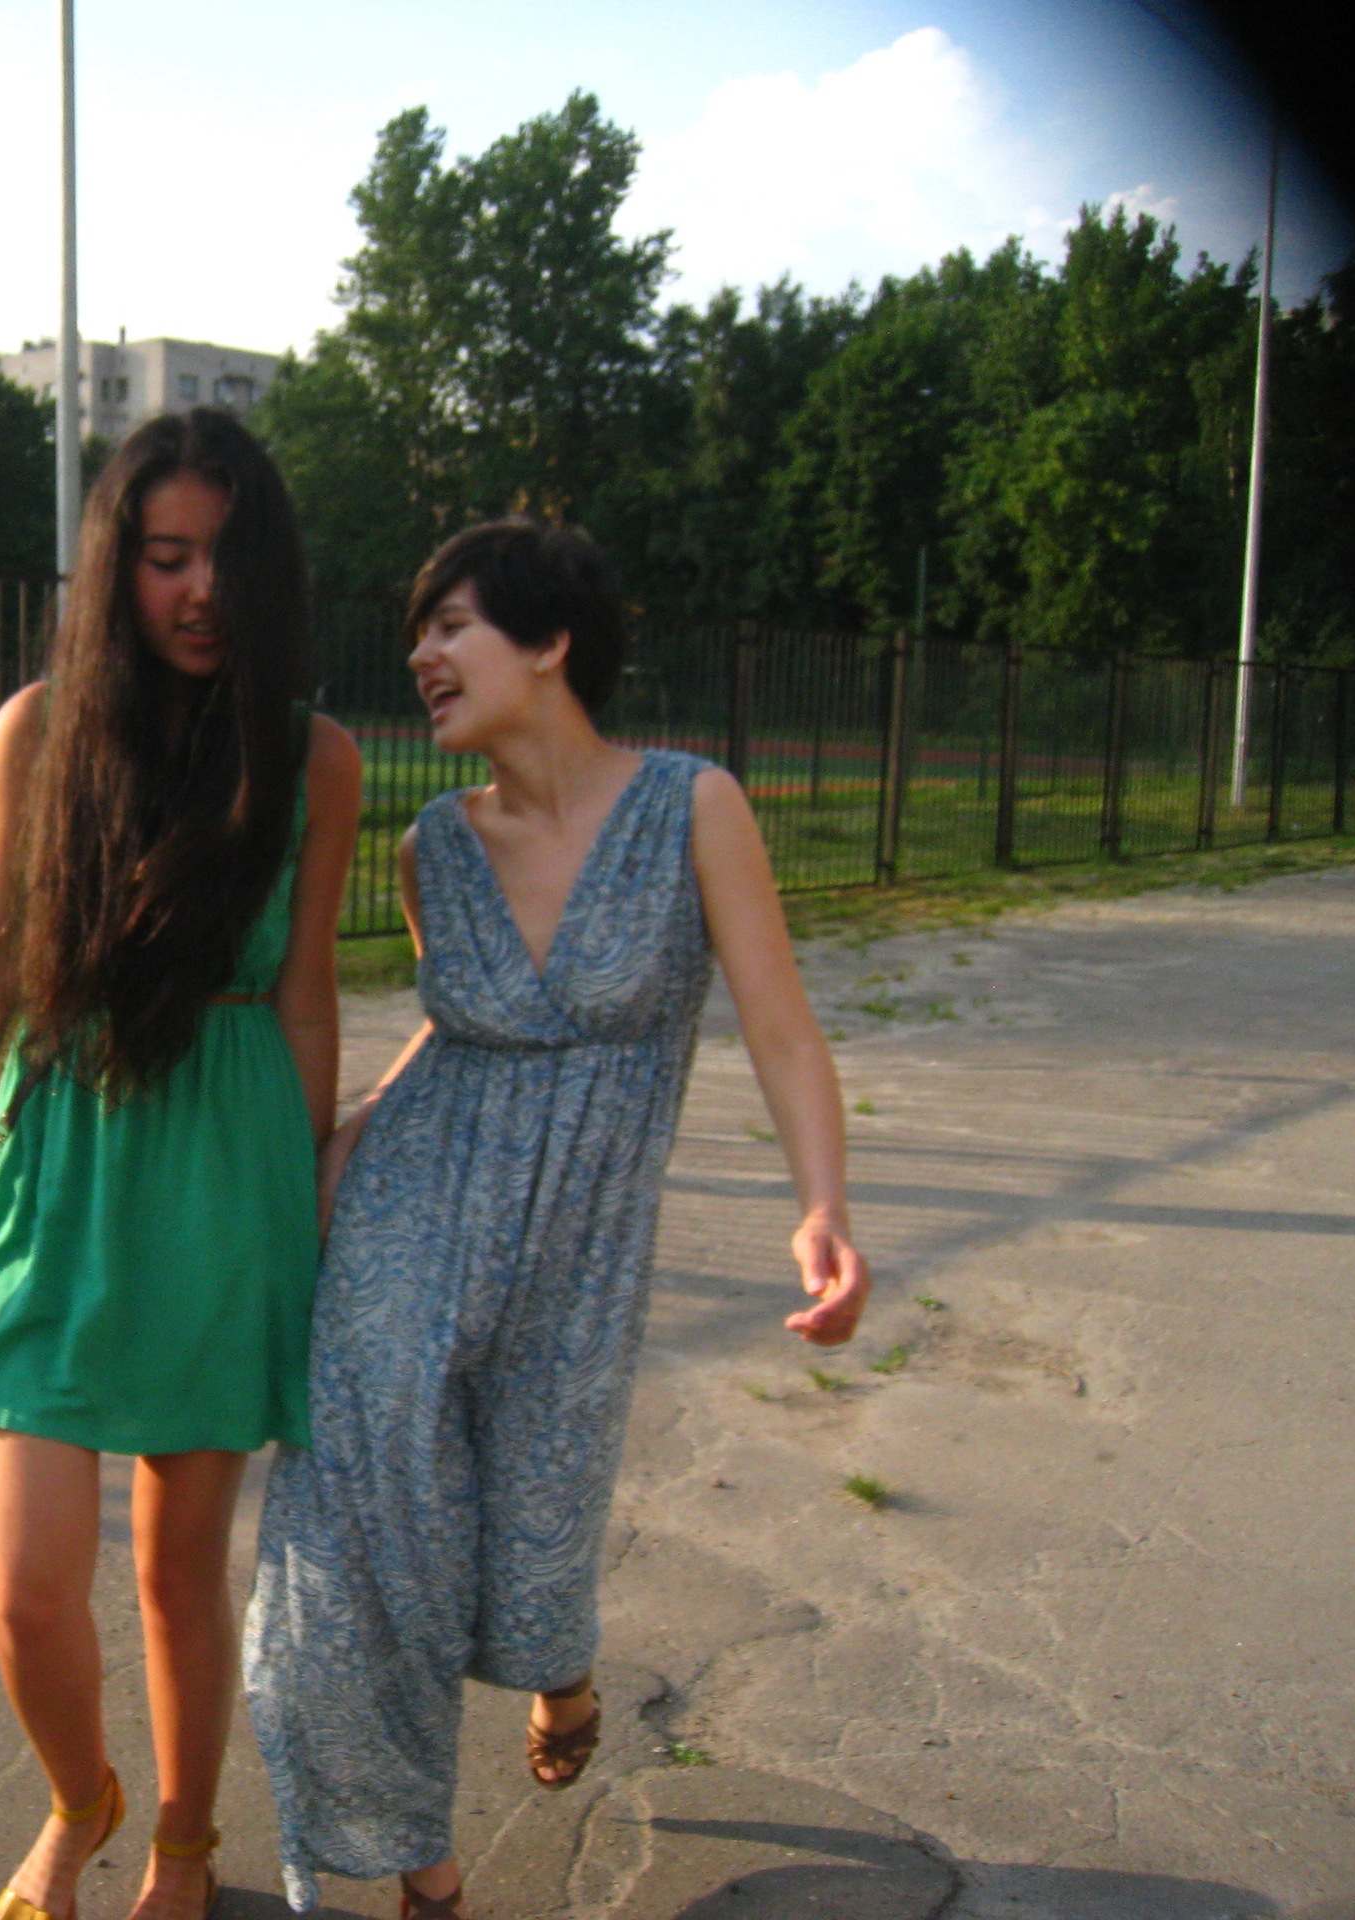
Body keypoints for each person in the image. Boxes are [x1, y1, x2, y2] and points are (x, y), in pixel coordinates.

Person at [242, 519, 871, 1917]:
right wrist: (343, 1148)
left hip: (580, 1243)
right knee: (355, 1525)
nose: (422, 654)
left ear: (549, 643)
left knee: (538, 1519)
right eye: (417, 631)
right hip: (411, 1212)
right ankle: (419, 1864)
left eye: (451, 624)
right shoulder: (432, 846)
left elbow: (780, 1027)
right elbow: (458, 1029)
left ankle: (561, 1674)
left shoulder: (693, 806)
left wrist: (823, 1205)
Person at [0, 408, 363, 1920]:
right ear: (117, 568)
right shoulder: (39, 733)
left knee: (174, 1573)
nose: (201, 589)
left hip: (225, 1174)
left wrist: (301, 1208)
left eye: (226, 558)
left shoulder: (314, 759)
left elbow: (306, 993)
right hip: (62, 1165)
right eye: (166, 556)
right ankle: (79, 1797)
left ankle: (186, 1844)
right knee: (29, 1591)